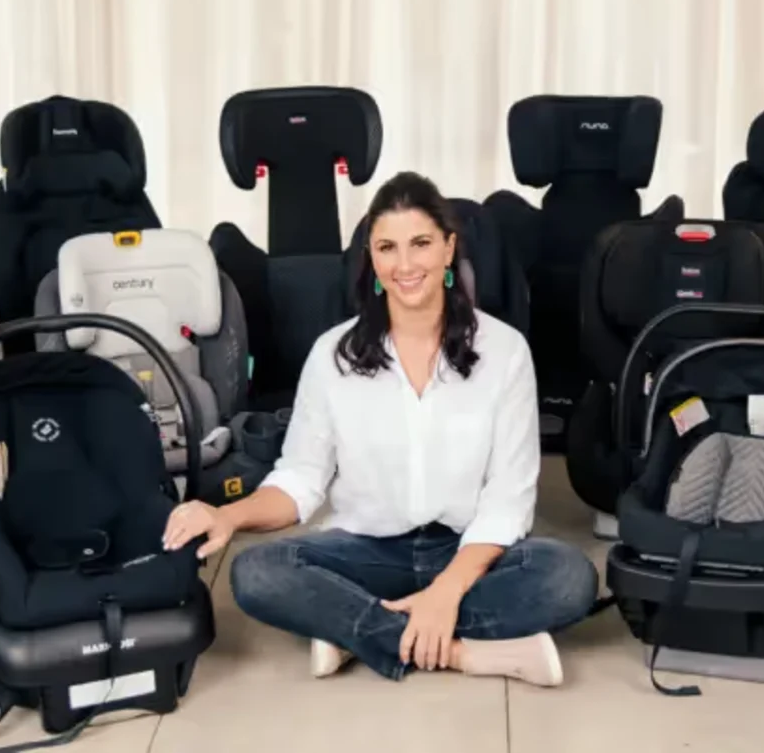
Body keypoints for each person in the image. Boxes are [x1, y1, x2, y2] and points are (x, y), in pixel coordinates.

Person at [162, 171, 599, 686]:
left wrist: (447, 590)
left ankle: (354, 629)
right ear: (371, 257)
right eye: (387, 247)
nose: (406, 264)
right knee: (255, 573)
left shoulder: (503, 352)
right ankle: (462, 653)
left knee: (570, 578)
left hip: (468, 548)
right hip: (367, 550)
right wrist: (225, 515)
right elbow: (300, 480)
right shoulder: (333, 354)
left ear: (448, 248)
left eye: (421, 244)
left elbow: (509, 499)